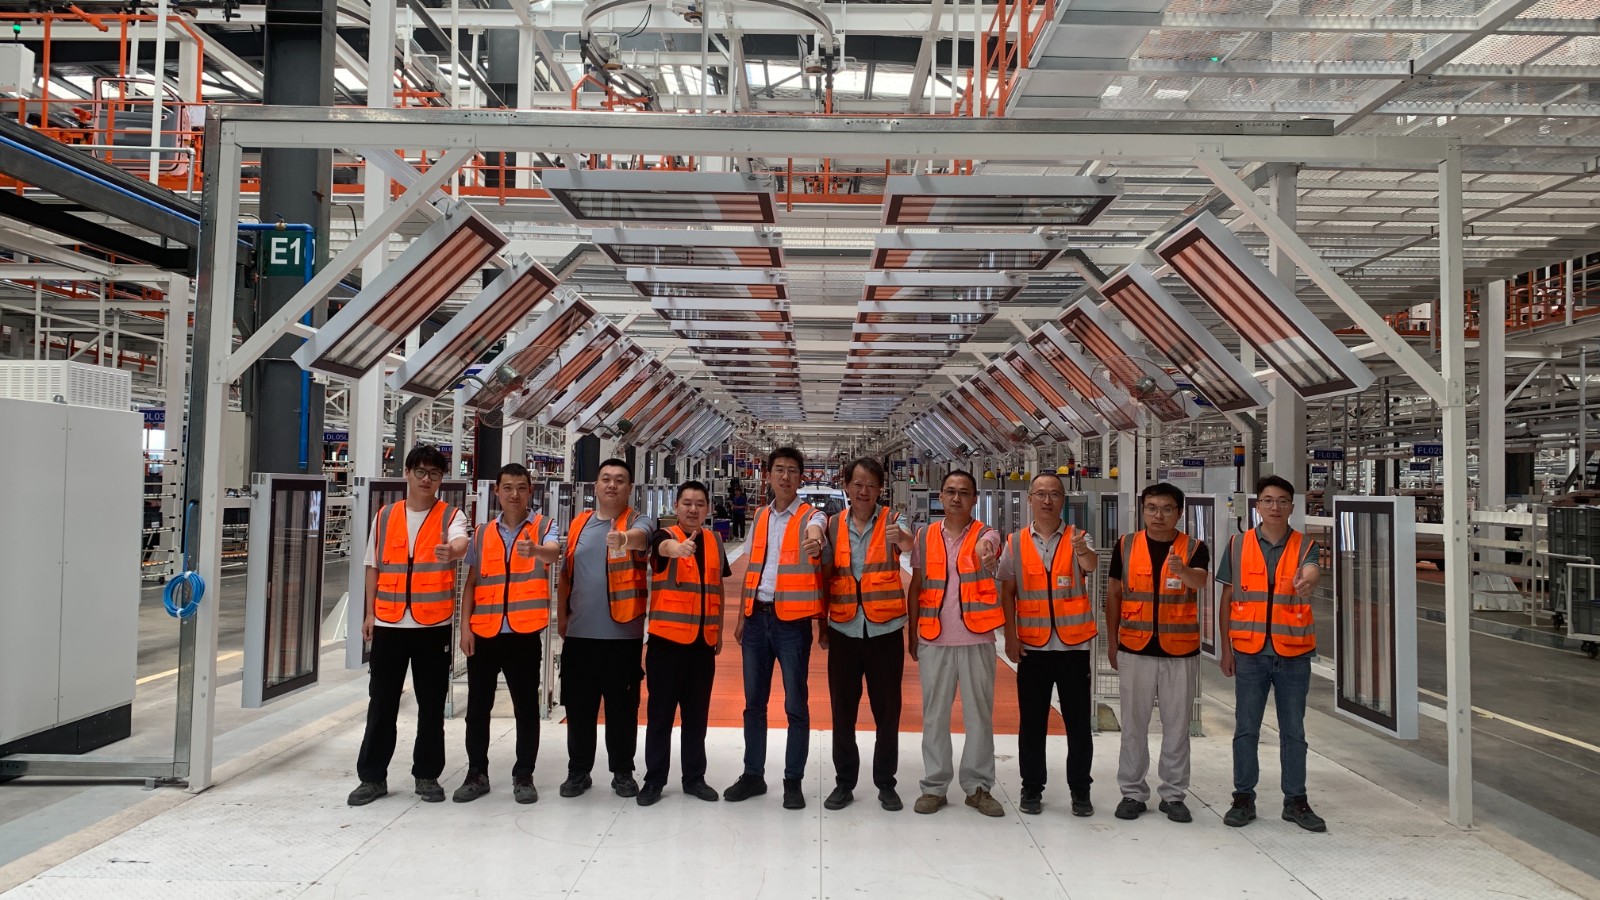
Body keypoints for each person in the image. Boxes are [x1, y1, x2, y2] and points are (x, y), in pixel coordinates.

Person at [348, 445, 471, 807]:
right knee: (381, 703)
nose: (426, 479)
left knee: (431, 706)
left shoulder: (451, 515)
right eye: (420, 472)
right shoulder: (385, 516)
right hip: (389, 623)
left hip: (433, 625)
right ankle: (372, 777)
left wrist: (454, 550)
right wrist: (369, 614)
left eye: (434, 473)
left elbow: (462, 541)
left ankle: (427, 775)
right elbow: (373, 566)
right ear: (406, 473)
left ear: (441, 479)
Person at [1218, 475, 1326, 833]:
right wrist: (1226, 649)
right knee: (1246, 728)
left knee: (1293, 730)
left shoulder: (1306, 545)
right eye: (1268, 500)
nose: (1275, 507)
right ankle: (1243, 798)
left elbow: (1312, 570)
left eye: (1282, 501)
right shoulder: (1237, 544)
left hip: (1293, 653)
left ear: (1292, 506)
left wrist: (1309, 579)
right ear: (1258, 506)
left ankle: (1295, 800)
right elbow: (1228, 598)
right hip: (1249, 653)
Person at [724, 447, 827, 810]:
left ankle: (792, 780)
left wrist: (815, 540)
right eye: (779, 469)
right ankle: (753, 774)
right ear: (768, 475)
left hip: (792, 624)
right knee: (754, 704)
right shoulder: (761, 516)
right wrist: (742, 616)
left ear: (801, 478)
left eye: (792, 471)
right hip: (757, 618)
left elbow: (817, 532)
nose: (785, 476)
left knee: (796, 704)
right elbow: (753, 566)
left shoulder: (812, 515)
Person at [452, 463, 560, 805]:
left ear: (531, 491)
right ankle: (476, 773)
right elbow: (471, 583)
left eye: (521, 487)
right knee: (477, 708)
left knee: (526, 708)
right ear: (497, 491)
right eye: (508, 487)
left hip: (523, 633)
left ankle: (524, 774)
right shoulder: (482, 533)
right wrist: (464, 628)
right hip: (484, 633)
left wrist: (536, 551)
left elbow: (554, 552)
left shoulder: (544, 527)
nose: (515, 494)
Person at [1104, 482, 1210, 823]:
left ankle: (1173, 795)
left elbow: (1200, 582)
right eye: (1152, 508)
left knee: (1177, 726)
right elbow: (1114, 594)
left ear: (1179, 512)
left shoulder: (1194, 547)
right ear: (1143, 511)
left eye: (1166, 509)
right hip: (1134, 648)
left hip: (1180, 651)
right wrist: (1111, 642)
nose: (1158, 515)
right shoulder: (1126, 545)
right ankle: (1132, 792)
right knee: (1133, 724)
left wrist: (1184, 571)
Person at [999, 472, 1102, 817]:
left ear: (1063, 500)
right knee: (1032, 723)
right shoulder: (1015, 543)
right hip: (1032, 647)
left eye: (1054, 494)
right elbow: (1007, 590)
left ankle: (1080, 790)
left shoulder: (1079, 537)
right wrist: (1010, 636)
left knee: (1078, 723)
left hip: (1073, 648)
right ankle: (1031, 787)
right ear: (1029, 499)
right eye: (1040, 494)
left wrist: (1082, 551)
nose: (1047, 500)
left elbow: (1090, 565)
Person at [907, 470, 1004, 817]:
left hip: (977, 637)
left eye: (964, 492)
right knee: (935, 715)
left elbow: (989, 547)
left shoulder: (986, 533)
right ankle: (934, 787)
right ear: (940, 497)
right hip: (935, 637)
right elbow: (917, 584)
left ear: (975, 499)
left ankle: (978, 787)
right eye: (950, 491)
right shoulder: (924, 536)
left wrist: (987, 552)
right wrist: (913, 632)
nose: (956, 498)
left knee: (979, 715)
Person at [820, 457, 915, 812]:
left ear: (880, 489)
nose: (864, 491)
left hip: (884, 631)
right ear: (846, 486)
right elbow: (826, 575)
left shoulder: (893, 520)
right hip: (844, 629)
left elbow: (909, 544)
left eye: (871, 485)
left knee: (887, 711)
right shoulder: (833, 525)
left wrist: (902, 538)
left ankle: (886, 783)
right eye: (858, 484)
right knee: (842, 711)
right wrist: (822, 624)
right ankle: (844, 782)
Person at [558, 458, 653, 799]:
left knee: (622, 710)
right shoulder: (579, 524)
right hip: (580, 635)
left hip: (622, 636)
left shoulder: (638, 521)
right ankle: (578, 771)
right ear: (596, 486)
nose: (612, 485)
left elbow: (642, 539)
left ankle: (623, 772)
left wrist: (624, 539)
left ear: (630, 488)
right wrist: (562, 616)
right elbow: (566, 573)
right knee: (579, 708)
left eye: (620, 480)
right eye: (606, 479)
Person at [637, 480, 731, 806]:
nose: (693, 509)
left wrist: (718, 628)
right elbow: (661, 549)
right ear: (676, 506)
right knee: (660, 716)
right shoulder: (665, 535)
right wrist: (676, 550)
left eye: (699, 504)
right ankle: (654, 779)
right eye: (687, 503)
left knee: (696, 717)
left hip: (702, 644)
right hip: (667, 643)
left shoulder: (715, 541)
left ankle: (694, 778)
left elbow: (717, 586)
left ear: (708, 509)